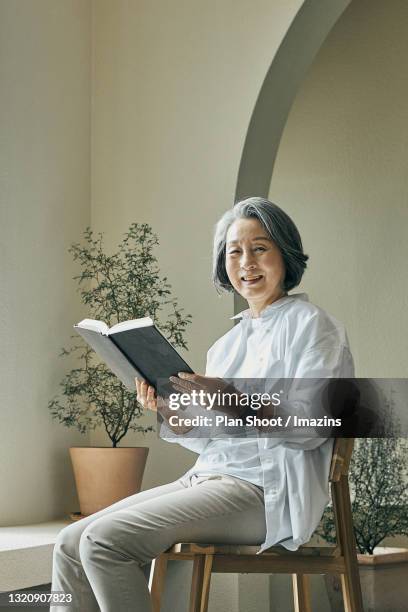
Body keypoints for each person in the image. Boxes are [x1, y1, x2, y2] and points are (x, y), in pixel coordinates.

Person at [51, 197, 354, 611]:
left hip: (265, 491)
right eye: (234, 252)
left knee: (105, 542)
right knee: (69, 542)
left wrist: (229, 398)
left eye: (260, 248)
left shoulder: (315, 329)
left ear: (285, 253)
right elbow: (207, 440)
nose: (246, 261)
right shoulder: (227, 344)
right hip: (206, 478)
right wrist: (168, 408)